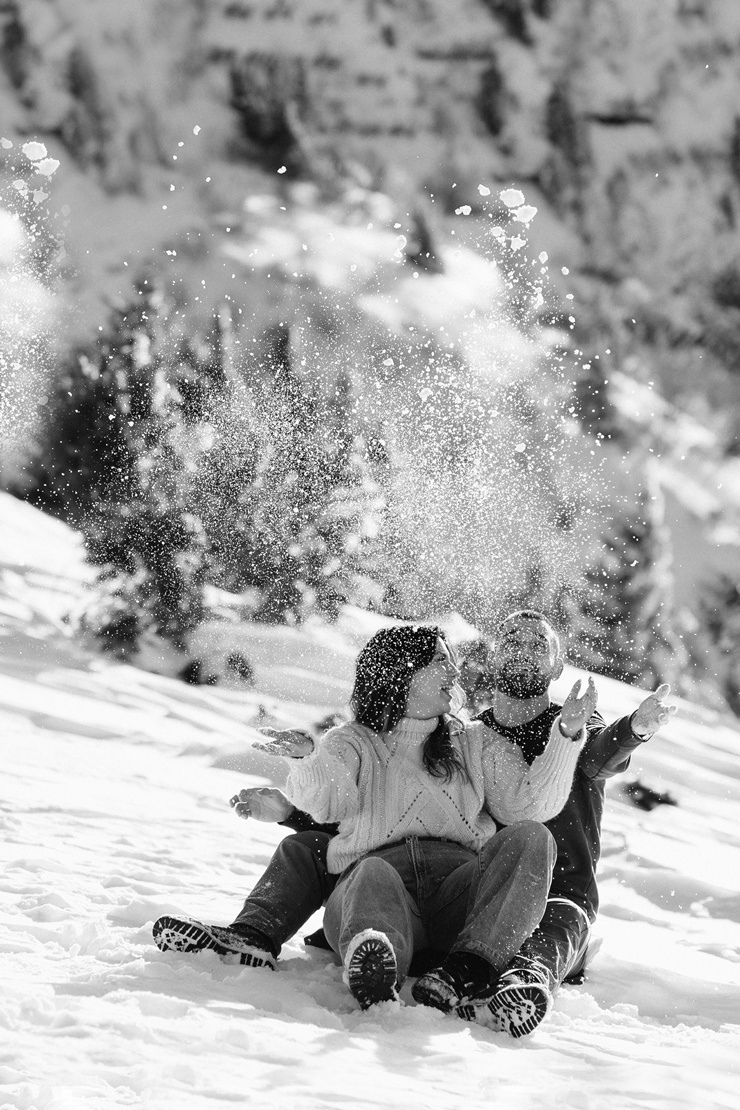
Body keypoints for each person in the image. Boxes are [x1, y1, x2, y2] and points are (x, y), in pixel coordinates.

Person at [153, 612, 675, 1034]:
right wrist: (305, 764)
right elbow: (329, 803)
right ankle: (371, 962)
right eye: (441, 664)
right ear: (405, 677)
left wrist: (579, 733)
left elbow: (548, 792)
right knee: (365, 872)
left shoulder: (478, 741)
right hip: (384, 882)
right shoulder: (357, 741)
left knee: (531, 842)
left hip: (476, 891)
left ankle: (472, 969)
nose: (455, 672)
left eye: (536, 642)